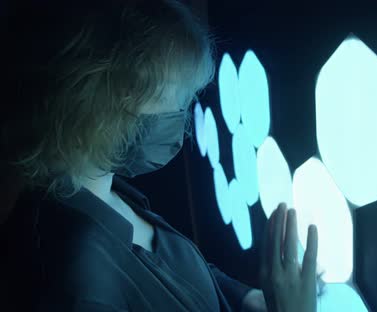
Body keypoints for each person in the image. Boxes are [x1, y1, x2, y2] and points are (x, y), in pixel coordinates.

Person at [0, 0, 318, 311]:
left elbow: (175, 274)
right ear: (98, 106)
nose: (183, 118)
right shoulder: (78, 285)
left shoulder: (96, 188)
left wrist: (243, 297)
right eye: (176, 100)